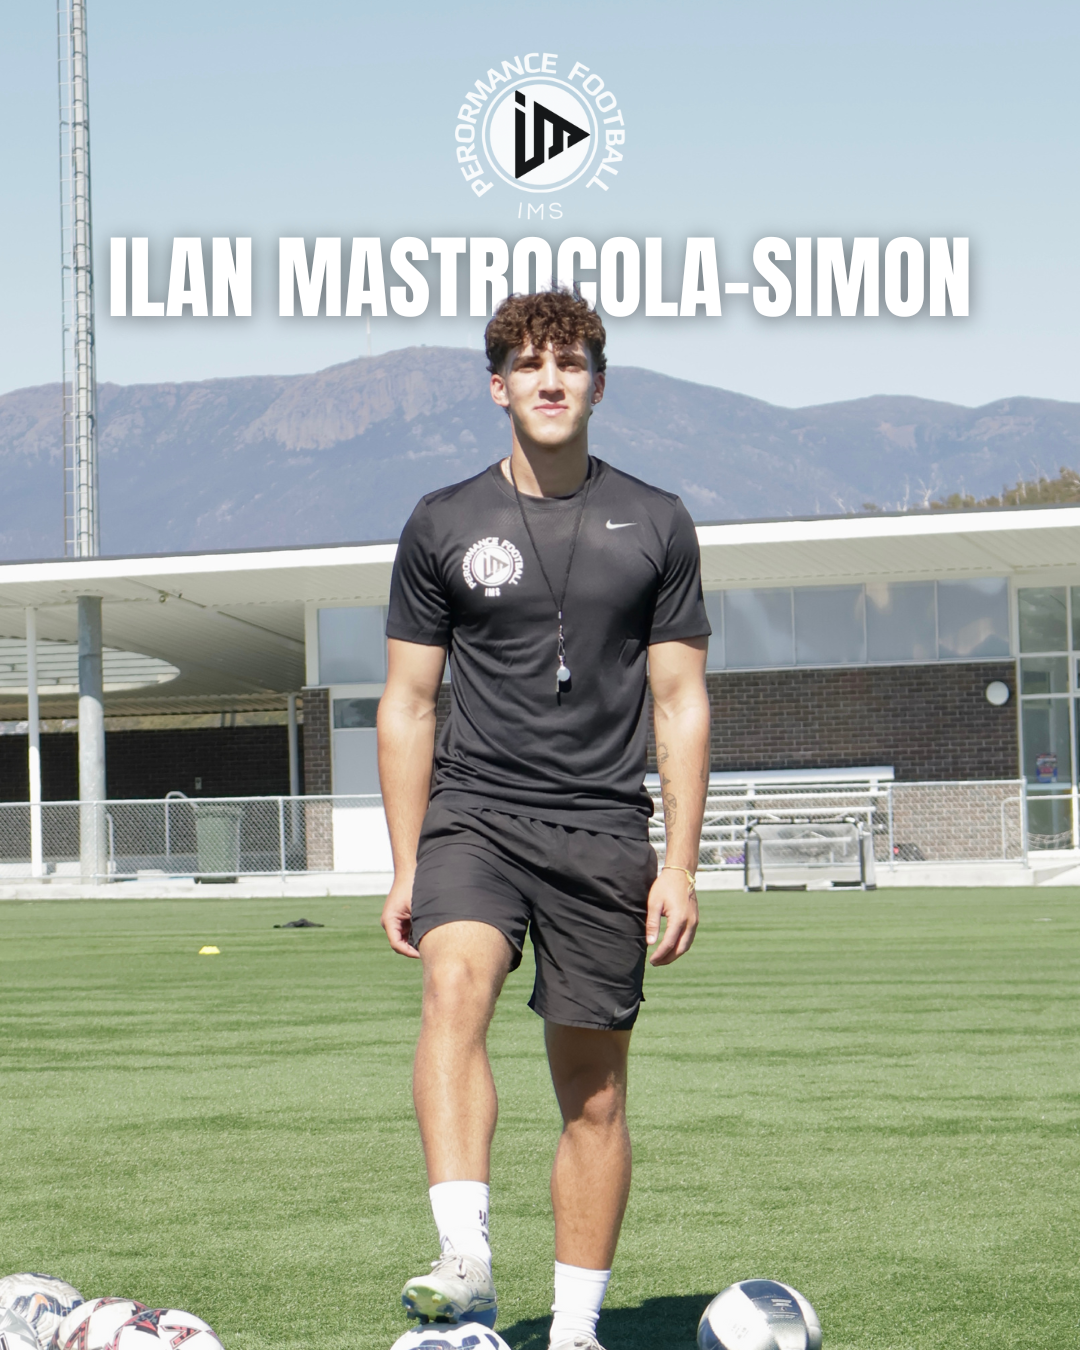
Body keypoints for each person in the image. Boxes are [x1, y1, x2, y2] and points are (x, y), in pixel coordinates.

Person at [377, 288, 712, 1350]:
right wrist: (403, 865)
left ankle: (575, 1331)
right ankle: (465, 1254)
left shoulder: (657, 521)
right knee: (453, 981)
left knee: (595, 1095)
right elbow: (409, 702)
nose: (551, 380)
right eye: (528, 364)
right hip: (476, 814)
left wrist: (683, 865)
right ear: (498, 387)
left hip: (604, 830)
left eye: (569, 363)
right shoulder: (443, 522)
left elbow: (680, 702)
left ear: (598, 384)